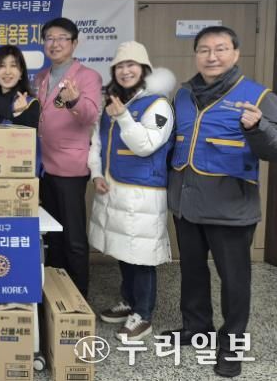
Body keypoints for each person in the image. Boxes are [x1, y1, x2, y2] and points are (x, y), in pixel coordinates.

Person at [162, 25, 277, 378]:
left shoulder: (258, 96)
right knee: (192, 271)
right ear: (196, 55)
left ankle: (232, 346)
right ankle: (197, 328)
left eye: (221, 49)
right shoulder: (183, 95)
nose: (212, 56)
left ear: (235, 53)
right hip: (186, 202)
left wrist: (257, 128)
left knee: (235, 281)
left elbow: (273, 149)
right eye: (204, 50)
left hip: (230, 207)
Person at [87, 41, 175, 341]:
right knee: (123, 250)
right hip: (113, 189)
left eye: (131, 65)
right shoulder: (112, 102)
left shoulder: (157, 104)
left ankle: (144, 315)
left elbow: (146, 145)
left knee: (142, 256)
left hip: (142, 194)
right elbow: (97, 142)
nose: (125, 71)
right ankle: (129, 301)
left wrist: (124, 117)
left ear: (144, 69)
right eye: (120, 67)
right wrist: (96, 174)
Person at [35, 17, 102, 298]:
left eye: (62, 38)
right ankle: (56, 293)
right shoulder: (41, 77)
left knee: (73, 236)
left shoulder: (88, 76)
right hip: (44, 167)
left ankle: (78, 297)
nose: (55, 43)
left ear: (74, 43)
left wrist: (74, 100)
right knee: (53, 235)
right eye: (49, 38)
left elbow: (90, 116)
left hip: (70, 168)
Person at [0, 45, 40, 129]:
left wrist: (19, 114)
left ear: (21, 73)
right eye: (2, 65)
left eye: (13, 65)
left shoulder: (30, 104)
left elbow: (30, 136)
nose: (7, 72)